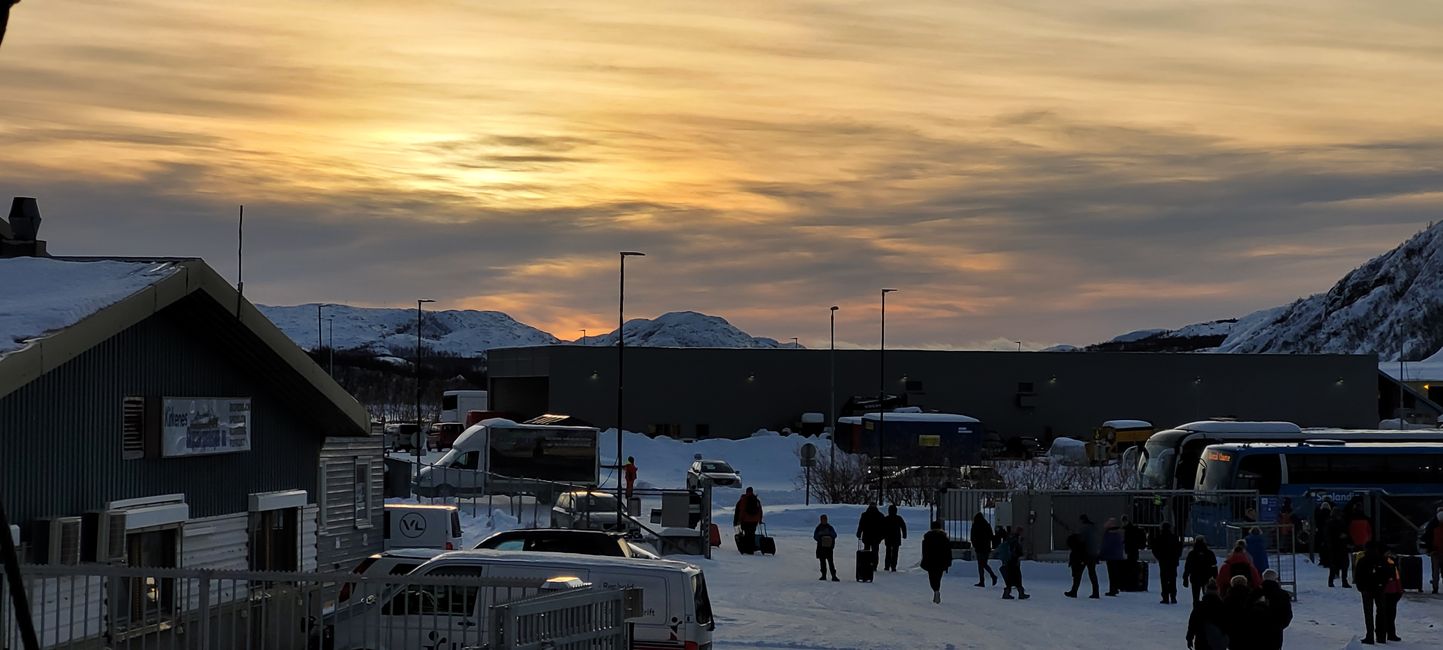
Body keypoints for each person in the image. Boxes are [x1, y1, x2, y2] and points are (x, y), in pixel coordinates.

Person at [1354, 540, 1388, 645]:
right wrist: (1383, 585)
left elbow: (1357, 576)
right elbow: (1388, 574)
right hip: (1379, 589)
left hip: (1367, 590)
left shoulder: (1362, 560)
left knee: (1368, 614)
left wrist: (1361, 588)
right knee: (1381, 612)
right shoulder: (1382, 560)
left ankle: (1370, 636)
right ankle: (1381, 636)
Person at [1255, 569, 1294, 650]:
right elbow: (1288, 615)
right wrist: (1279, 626)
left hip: (1257, 632)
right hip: (1275, 632)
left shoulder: (1255, 593)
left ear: (1263, 578)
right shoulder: (1282, 594)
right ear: (1276, 579)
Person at [1065, 514, 1101, 599]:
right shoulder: (1093, 528)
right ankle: (1096, 592)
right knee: (1092, 573)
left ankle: (1074, 591)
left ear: (1081, 520)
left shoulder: (1084, 529)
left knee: (1078, 573)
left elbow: (1081, 540)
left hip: (1085, 554)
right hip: (1093, 554)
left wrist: (1074, 536)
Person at [1186, 579, 1228, 650]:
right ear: (1218, 591)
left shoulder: (1200, 606)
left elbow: (1192, 623)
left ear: (1206, 591)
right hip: (1218, 641)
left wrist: (1189, 637)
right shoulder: (1223, 606)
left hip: (1201, 639)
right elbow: (1227, 624)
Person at [920, 519, 953, 604]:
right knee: (938, 577)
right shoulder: (944, 538)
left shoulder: (927, 538)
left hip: (930, 561)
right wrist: (948, 561)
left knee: (932, 577)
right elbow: (948, 551)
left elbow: (925, 551)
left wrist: (924, 560)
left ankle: (935, 590)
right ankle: (937, 590)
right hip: (941, 561)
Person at [1151, 521, 1183, 605]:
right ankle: (1173, 596)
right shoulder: (1174, 537)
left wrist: (1159, 557)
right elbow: (1179, 549)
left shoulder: (1159, 538)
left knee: (1164, 579)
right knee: (1173, 579)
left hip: (1163, 561)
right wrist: (1176, 557)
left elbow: (1154, 549)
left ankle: (1165, 597)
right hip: (1173, 562)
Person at [1378, 550, 1403, 644]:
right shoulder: (1392, 565)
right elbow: (1397, 579)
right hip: (1391, 591)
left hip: (1387, 591)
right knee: (1390, 614)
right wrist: (1399, 590)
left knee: (1386, 614)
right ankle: (1390, 633)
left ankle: (1385, 633)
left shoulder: (1384, 564)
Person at [1184, 536, 1219, 604]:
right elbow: (1214, 566)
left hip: (1195, 577)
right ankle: (1206, 609)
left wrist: (1185, 577)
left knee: (1195, 597)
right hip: (1207, 577)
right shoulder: (1210, 553)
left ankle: (1196, 610)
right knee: (1207, 596)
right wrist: (1215, 577)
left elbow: (1187, 567)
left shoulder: (1192, 554)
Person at [996, 527, 1029, 600]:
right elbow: (1017, 552)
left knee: (1012, 578)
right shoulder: (1015, 540)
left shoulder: (1011, 538)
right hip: (1013, 562)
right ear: (1020, 532)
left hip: (1010, 562)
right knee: (1016, 578)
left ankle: (1013, 593)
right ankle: (1019, 593)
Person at [970, 512, 998, 587]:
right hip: (986, 547)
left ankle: (985, 579)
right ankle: (988, 578)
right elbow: (991, 536)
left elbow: (972, 537)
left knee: (981, 564)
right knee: (983, 564)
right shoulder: (987, 525)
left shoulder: (975, 525)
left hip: (979, 547)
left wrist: (975, 545)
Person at [1327, 506, 1352, 588]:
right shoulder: (1342, 522)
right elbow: (1346, 532)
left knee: (1334, 565)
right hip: (1341, 546)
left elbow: (1328, 535)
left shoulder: (1330, 523)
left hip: (1334, 547)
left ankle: (1331, 581)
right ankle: (1344, 581)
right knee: (1344, 564)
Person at [1101, 517, 1126, 596]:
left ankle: (1112, 590)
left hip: (1110, 556)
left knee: (1112, 574)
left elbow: (1106, 546)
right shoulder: (1119, 534)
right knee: (1116, 573)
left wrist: (1101, 554)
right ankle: (1115, 588)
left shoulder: (1109, 534)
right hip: (1118, 556)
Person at [1422, 506, 1443, 594]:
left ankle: (1435, 587)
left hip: (1435, 551)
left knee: (1435, 571)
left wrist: (1429, 549)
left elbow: (1426, 537)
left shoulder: (1432, 523)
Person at [814, 514, 840, 582]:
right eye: (823, 519)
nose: (824, 521)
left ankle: (833, 576)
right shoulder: (818, 528)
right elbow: (815, 536)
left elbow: (834, 535)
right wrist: (821, 537)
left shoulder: (830, 527)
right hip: (821, 547)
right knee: (822, 562)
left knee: (830, 562)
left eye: (825, 519)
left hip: (829, 548)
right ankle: (823, 575)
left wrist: (828, 535)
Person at [1122, 515, 1147, 588]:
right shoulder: (1133, 529)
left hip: (1131, 550)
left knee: (1131, 565)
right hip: (1134, 550)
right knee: (1134, 565)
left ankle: (1131, 583)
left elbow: (1128, 540)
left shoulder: (1128, 530)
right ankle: (1134, 583)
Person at [881, 504, 907, 572]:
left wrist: (882, 536)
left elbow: (882, 528)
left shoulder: (886, 518)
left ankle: (887, 566)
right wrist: (904, 535)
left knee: (888, 552)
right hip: (896, 538)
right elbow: (903, 526)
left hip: (888, 538)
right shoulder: (898, 518)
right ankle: (893, 566)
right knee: (895, 553)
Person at [1312, 498, 1334, 566]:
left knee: (1321, 548)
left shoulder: (1319, 514)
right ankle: (1329, 560)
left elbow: (1316, 522)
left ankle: (1322, 560)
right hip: (1329, 534)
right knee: (1329, 548)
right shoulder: (1331, 515)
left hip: (1320, 534)